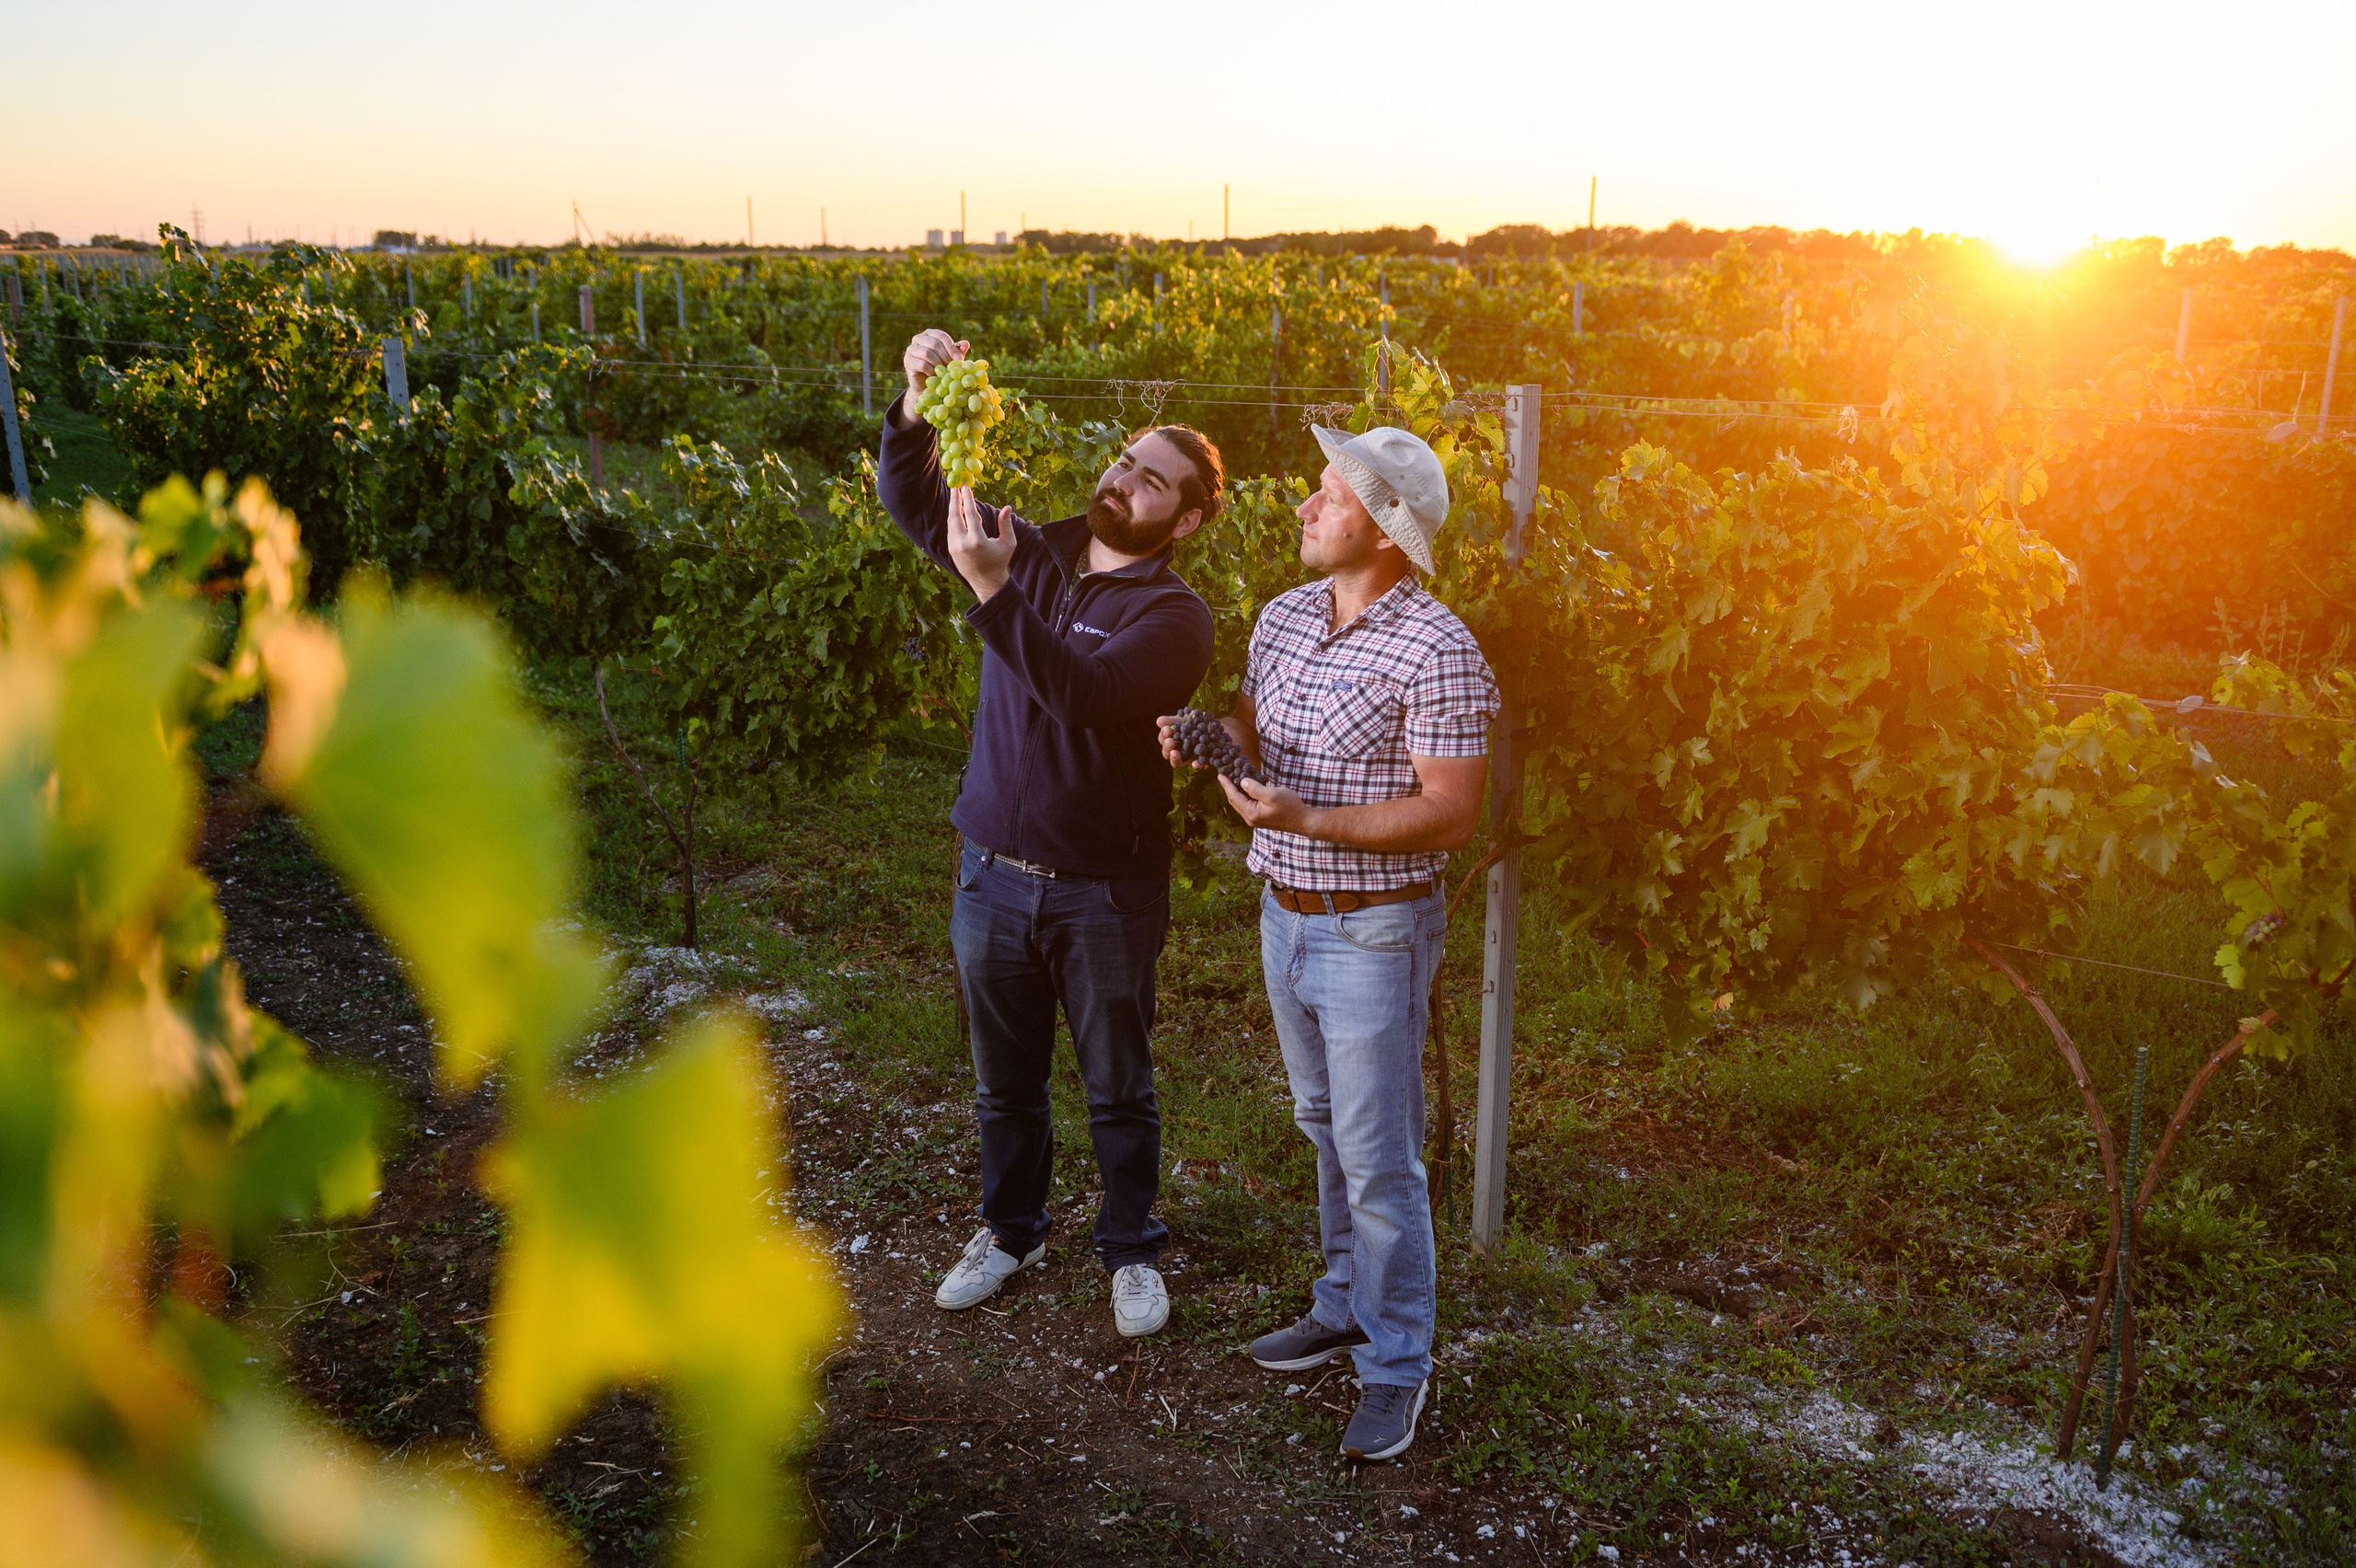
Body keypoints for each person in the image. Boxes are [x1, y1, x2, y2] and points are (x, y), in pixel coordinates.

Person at [1160, 424, 1497, 1460]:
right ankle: (1345, 1303)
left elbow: (1451, 813)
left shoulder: (1439, 650)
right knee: (1324, 1124)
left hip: (1375, 932)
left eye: (1328, 497)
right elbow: (1251, 730)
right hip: (1285, 916)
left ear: (1385, 529)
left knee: (1380, 1158)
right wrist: (1208, 743)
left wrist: (1308, 820)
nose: (1304, 509)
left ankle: (1397, 1364)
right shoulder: (1284, 616)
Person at [880, 328, 1222, 1339]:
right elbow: (915, 502)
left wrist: (993, 589)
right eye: (1126, 461)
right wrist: (915, 403)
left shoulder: (1177, 619)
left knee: (1117, 1083)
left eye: (1153, 481)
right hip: (989, 870)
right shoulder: (1028, 549)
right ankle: (1012, 1230)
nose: (1125, 480)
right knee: (1005, 1081)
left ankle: (1129, 1246)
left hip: (1103, 889)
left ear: (1187, 519)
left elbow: (1085, 695)